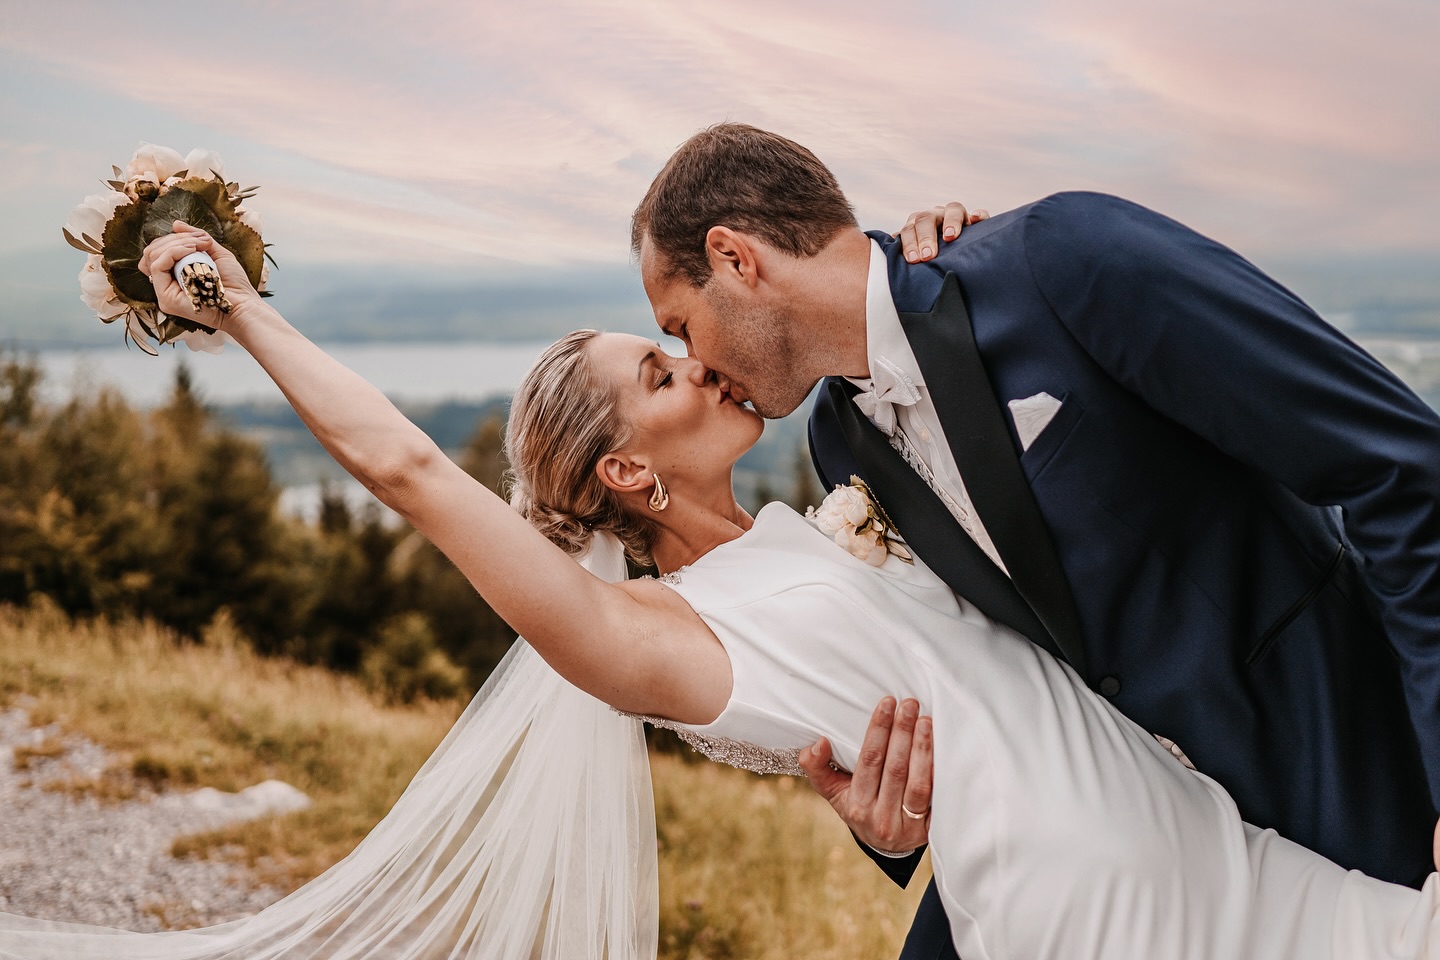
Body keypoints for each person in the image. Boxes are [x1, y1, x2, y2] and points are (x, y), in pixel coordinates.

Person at [6, 222, 1439, 960]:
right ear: (625, 475)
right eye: (657, 367)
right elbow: (405, 473)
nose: (691, 361)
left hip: (1223, 848)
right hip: (1102, 916)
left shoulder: (830, 502)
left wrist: (943, 243)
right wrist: (237, 302)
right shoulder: (658, 644)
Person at [631, 123, 1440, 959]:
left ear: (734, 258)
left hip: (1346, 779)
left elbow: (1401, 473)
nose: (695, 361)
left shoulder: (1059, 261)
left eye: (683, 326)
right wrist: (897, 816)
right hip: (1123, 876)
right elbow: (968, 655)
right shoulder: (840, 440)